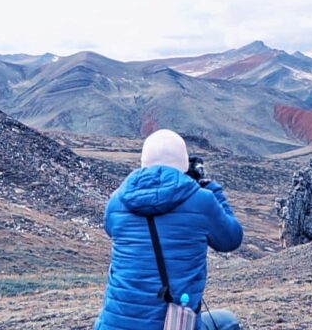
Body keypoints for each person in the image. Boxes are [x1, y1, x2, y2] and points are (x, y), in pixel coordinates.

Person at [95, 129, 243, 330]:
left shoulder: (116, 201)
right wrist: (211, 188)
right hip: (173, 325)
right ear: (184, 164)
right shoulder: (201, 200)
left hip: (111, 326)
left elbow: (112, 230)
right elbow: (231, 239)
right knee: (227, 321)